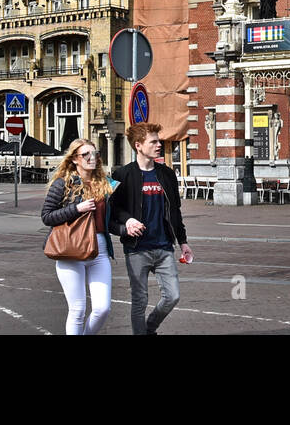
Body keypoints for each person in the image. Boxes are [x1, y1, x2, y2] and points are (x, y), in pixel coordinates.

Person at [109, 122, 192, 335]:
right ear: (138, 145)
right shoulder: (122, 175)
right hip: (137, 248)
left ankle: (149, 328)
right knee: (139, 299)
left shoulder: (166, 174)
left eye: (159, 140)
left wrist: (183, 242)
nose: (158, 144)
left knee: (172, 296)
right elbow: (112, 211)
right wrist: (126, 223)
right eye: (153, 141)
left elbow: (175, 211)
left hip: (164, 247)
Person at [41, 139, 115, 335]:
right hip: (71, 250)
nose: (92, 158)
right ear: (75, 159)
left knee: (102, 308)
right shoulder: (63, 184)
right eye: (86, 155)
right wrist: (76, 208)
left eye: (95, 153)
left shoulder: (104, 184)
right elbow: (47, 216)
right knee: (78, 309)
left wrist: (127, 226)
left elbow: (111, 219)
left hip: (99, 250)